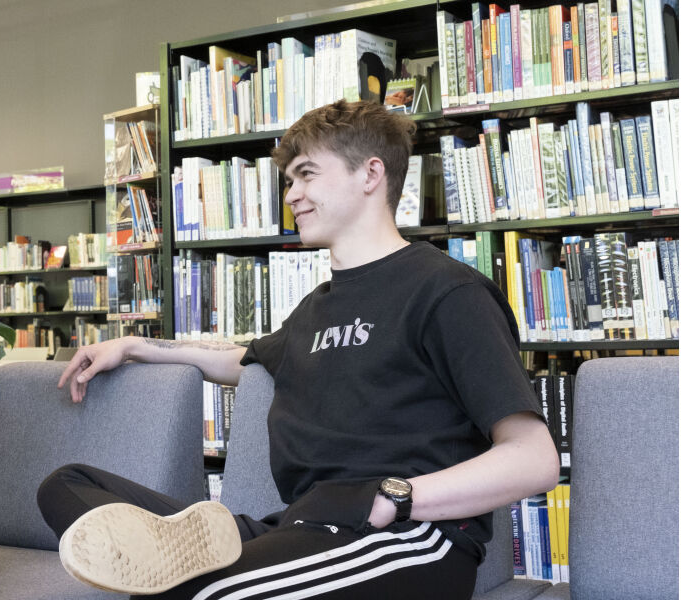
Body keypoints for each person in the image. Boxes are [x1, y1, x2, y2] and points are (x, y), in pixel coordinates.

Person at [41, 100, 559, 600]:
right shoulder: (315, 309)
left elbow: (534, 460)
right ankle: (184, 559)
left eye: (307, 174)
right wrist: (134, 346)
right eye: (289, 180)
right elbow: (237, 361)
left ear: (370, 174)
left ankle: (188, 572)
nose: (291, 194)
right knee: (67, 484)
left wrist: (393, 499)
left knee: (199, 591)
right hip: (298, 524)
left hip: (404, 537)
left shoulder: (447, 292)